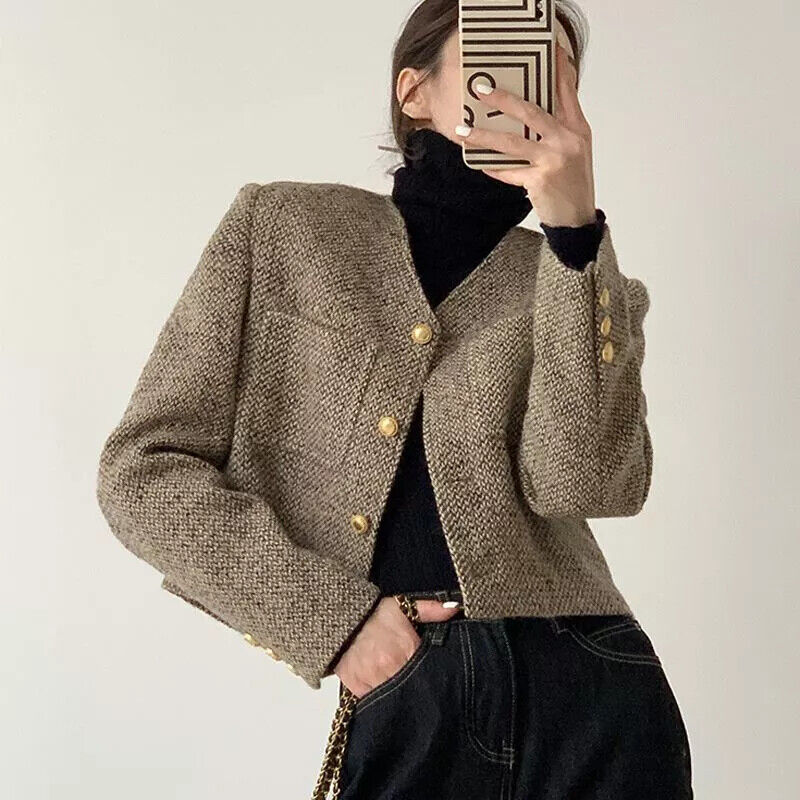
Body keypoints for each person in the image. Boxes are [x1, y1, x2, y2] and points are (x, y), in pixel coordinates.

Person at [96, 1, 693, 797]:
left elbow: (584, 485)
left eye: (556, 79)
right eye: (500, 62)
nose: (529, 93)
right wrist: (333, 623)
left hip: (592, 687)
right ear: (414, 92)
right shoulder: (284, 227)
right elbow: (142, 472)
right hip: (406, 690)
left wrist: (576, 236)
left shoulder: (585, 285)